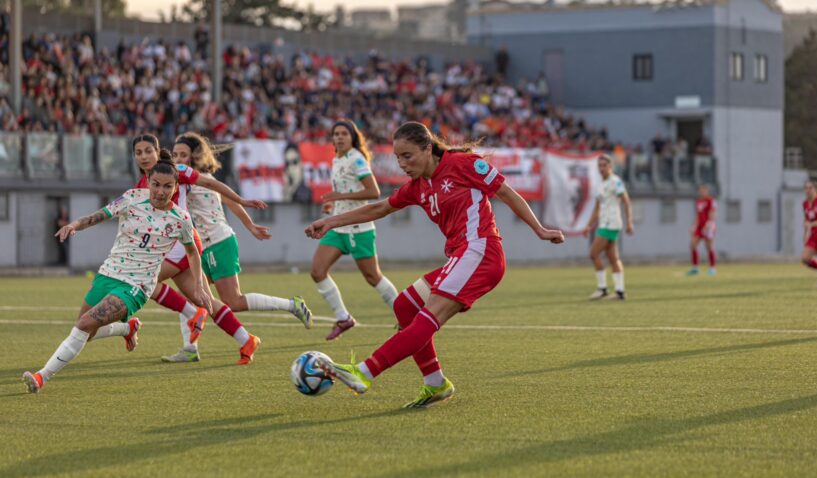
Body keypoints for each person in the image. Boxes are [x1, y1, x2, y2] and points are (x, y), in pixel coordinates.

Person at [304, 121, 564, 408]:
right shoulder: (418, 187)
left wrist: (540, 229)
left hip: (481, 251)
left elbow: (505, 192)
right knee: (404, 306)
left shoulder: (463, 164)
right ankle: (435, 383)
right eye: (398, 157)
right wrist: (330, 222)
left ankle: (364, 372)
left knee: (428, 317)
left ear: (428, 149)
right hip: (461, 256)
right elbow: (379, 207)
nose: (402, 164)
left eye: (408, 156)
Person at [22, 158, 212, 393]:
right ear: (148, 182)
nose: (160, 191)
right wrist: (75, 225)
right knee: (86, 333)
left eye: (167, 186)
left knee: (83, 325)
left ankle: (41, 377)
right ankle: (126, 328)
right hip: (109, 273)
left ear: (175, 188)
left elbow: (193, 252)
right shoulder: (132, 197)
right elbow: (99, 215)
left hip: (137, 286)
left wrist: (200, 285)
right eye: (156, 184)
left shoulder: (180, 219)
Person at [162, 132, 311, 362]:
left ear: (195, 157)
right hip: (200, 246)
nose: (178, 158)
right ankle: (190, 350)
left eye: (184, 154)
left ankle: (292, 305)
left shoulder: (194, 179)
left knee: (233, 301)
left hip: (217, 243)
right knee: (193, 297)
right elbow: (226, 198)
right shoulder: (190, 178)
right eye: (175, 154)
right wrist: (249, 225)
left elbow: (229, 199)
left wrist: (250, 225)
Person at [130, 134, 267, 365]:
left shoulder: (178, 170)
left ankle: (192, 315)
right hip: (178, 247)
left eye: (148, 151)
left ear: (157, 151)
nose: (144, 157)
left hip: (181, 245)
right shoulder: (141, 185)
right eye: (138, 152)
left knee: (143, 281)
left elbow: (212, 183)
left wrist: (241, 200)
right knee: (203, 298)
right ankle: (246, 339)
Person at [310, 120, 398, 341]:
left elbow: (373, 191)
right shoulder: (336, 159)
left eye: (344, 134)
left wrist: (339, 197)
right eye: (336, 134)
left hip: (360, 227)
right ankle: (343, 318)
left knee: (372, 277)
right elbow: (343, 190)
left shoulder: (357, 159)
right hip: (338, 226)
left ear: (352, 138)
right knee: (317, 271)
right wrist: (332, 204)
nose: (339, 137)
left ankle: (405, 316)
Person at [584, 154, 633, 300]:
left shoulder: (615, 182)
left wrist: (629, 221)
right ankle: (619, 291)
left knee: (593, 253)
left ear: (610, 167)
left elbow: (626, 201)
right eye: (599, 166)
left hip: (611, 223)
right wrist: (588, 225)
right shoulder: (601, 185)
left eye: (604, 165)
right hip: (604, 223)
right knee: (613, 257)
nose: (601, 168)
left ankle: (602, 288)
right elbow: (597, 208)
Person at [687, 184, 717, 276]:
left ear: (707, 191)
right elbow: (698, 215)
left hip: (708, 226)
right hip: (699, 226)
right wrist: (694, 225)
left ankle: (712, 268)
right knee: (692, 244)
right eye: (700, 190)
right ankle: (695, 268)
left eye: (703, 190)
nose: (702, 192)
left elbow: (713, 212)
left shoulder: (711, 200)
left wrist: (709, 224)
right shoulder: (698, 201)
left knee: (709, 246)